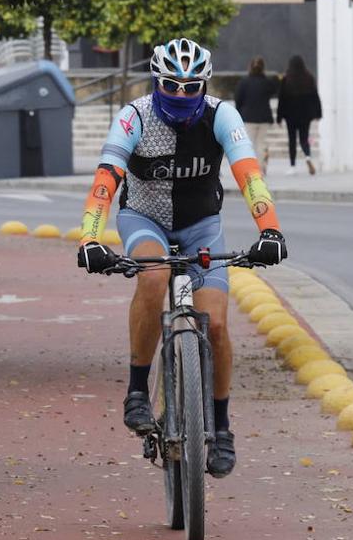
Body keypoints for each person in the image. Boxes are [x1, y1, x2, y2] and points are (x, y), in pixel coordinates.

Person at [76, 37, 288, 478]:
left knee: (218, 324)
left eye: (191, 87)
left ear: (204, 85)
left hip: (201, 227)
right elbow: (106, 179)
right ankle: (137, 391)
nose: (181, 95)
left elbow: (249, 176)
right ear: (156, 81)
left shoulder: (221, 114)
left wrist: (271, 231)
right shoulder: (133, 116)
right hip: (144, 220)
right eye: (171, 85)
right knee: (152, 278)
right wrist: (90, 238)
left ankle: (222, 429)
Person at [276, 54, 322, 175]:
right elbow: (315, 96)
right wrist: (318, 112)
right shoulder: (309, 78)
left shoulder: (286, 80)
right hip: (305, 115)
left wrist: (279, 117)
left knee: (292, 140)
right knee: (304, 138)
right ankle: (307, 156)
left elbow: (282, 99)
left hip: (290, 115)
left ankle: (292, 166)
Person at [233, 56, 277, 172]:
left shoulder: (243, 83)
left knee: (250, 144)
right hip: (264, 118)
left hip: (248, 118)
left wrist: (239, 114)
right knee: (261, 144)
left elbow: (238, 99)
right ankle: (261, 168)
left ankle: (252, 169)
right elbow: (275, 89)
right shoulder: (266, 82)